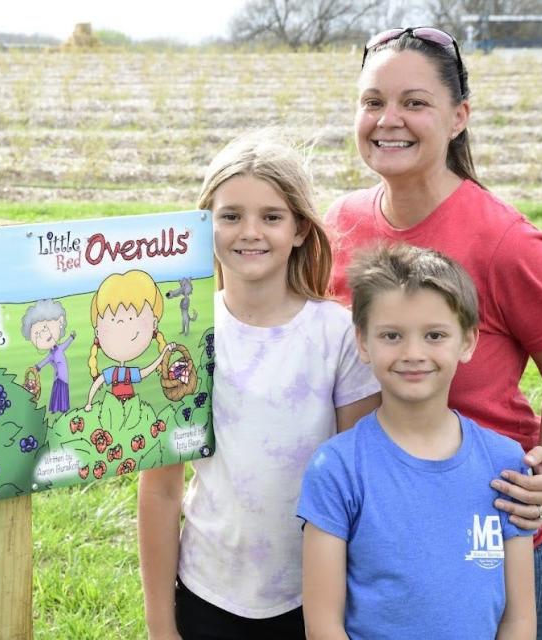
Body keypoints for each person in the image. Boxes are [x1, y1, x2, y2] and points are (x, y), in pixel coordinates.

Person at [325, 27, 542, 639]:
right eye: (372, 102)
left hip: (506, 534)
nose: (388, 119)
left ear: (458, 118)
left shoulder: (507, 244)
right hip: (388, 531)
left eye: (414, 102)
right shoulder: (337, 225)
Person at [138, 132, 380, 640]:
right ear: (205, 224)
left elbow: (359, 484)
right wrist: (162, 625)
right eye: (231, 216)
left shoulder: (335, 335)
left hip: (311, 598)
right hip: (207, 592)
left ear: (298, 229)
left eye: (271, 216)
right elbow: (161, 492)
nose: (251, 231)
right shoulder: (183, 340)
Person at [298, 243, 536, 639]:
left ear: (468, 341)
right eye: (391, 335)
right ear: (362, 342)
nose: (413, 353)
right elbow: (323, 625)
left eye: (434, 335)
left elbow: (519, 618)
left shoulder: (505, 462)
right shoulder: (337, 468)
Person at [84, 270, 174, 411]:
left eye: (132, 318)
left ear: (154, 324)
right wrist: (89, 402)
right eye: (113, 320)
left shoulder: (127, 374)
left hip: (132, 408)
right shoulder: (112, 373)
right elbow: (97, 383)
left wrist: (163, 355)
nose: (121, 325)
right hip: (113, 409)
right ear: (97, 332)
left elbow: (148, 370)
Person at [22, 299, 75, 413]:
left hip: (63, 376)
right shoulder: (51, 354)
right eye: (37, 334)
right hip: (57, 377)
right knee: (56, 391)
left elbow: (66, 343)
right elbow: (45, 360)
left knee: (62, 390)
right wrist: (38, 367)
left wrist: (71, 337)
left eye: (46, 328)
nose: (45, 335)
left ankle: (64, 408)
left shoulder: (60, 348)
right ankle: (55, 408)